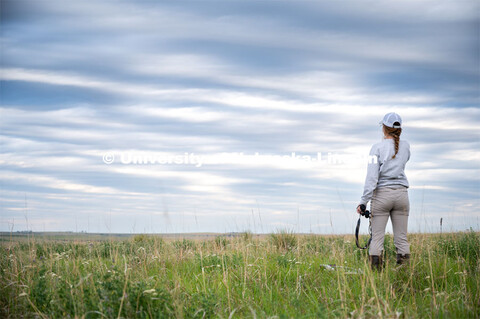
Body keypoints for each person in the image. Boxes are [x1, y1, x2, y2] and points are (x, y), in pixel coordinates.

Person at [357, 112, 411, 270]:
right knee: (401, 238)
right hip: (402, 195)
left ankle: (376, 276)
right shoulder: (406, 146)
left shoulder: (376, 148)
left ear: (384, 128)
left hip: (382, 195)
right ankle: (404, 274)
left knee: (377, 238)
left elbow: (372, 178)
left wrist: (363, 202)